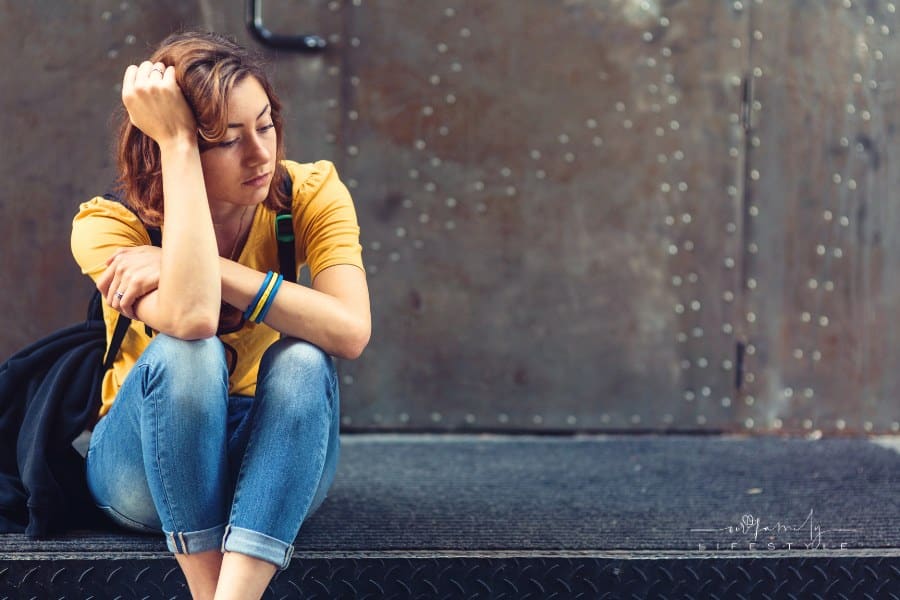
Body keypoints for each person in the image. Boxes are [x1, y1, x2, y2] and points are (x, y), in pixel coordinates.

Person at [70, 30, 370, 599]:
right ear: (167, 145)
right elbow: (192, 319)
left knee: (305, 357)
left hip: (271, 455)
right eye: (228, 140)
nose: (261, 154)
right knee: (189, 352)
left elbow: (350, 331)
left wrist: (215, 268)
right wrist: (178, 145)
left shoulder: (308, 192)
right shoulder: (110, 227)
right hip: (143, 465)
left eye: (265, 124)